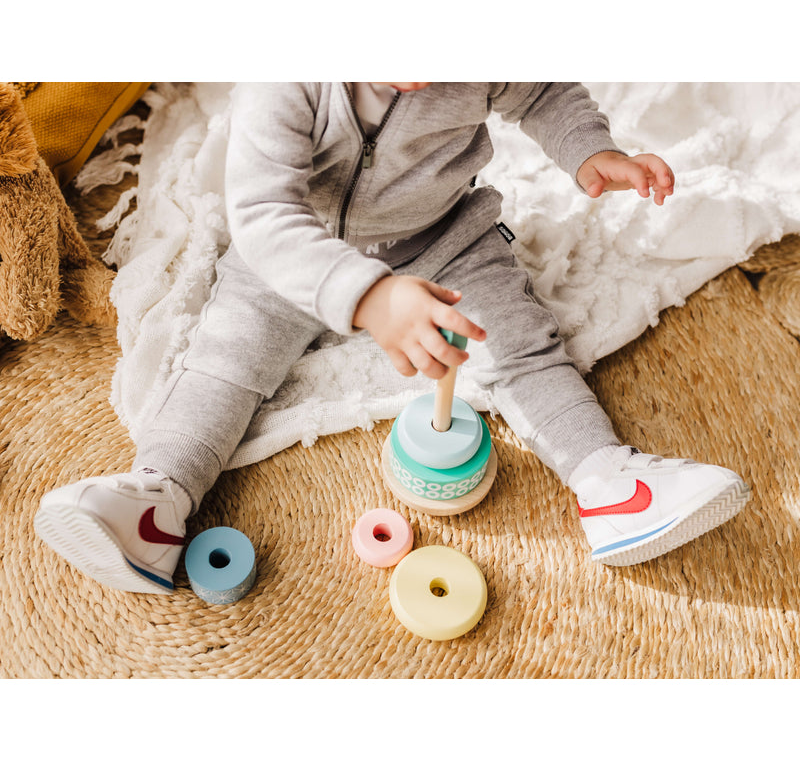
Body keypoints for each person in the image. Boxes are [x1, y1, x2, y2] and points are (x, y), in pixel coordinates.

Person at [34, 83, 750, 594]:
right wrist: (370, 297)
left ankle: (608, 484)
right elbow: (263, 210)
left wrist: (592, 151)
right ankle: (158, 501)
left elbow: (543, 94)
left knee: (523, 340)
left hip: (443, 236)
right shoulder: (282, 83)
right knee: (227, 359)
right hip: (295, 250)